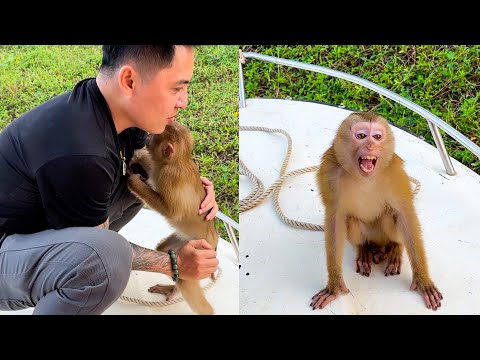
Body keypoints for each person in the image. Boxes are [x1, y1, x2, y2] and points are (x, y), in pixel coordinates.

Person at [0, 45, 220, 315]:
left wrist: (195, 193)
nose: (184, 101)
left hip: (33, 224)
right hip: (6, 250)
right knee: (107, 259)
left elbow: (155, 169)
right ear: (129, 80)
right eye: (176, 88)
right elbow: (100, 246)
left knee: (137, 179)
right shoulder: (84, 153)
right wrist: (173, 263)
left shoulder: (108, 106)